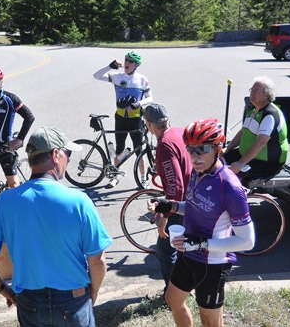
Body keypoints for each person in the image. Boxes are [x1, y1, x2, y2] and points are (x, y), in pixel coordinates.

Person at [0, 127, 112, 327]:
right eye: (67, 153)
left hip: (29, 301)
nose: (69, 159)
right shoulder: (79, 201)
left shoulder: (5, 202)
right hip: (74, 299)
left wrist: (3, 290)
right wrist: (93, 293)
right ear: (56, 154)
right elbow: (97, 260)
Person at [149, 118, 255, 327]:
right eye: (190, 150)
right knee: (173, 299)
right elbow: (196, 206)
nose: (195, 157)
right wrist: (170, 206)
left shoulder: (230, 187)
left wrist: (201, 243)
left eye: (203, 150)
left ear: (219, 149)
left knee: (209, 321)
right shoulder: (198, 174)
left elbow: (247, 241)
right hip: (189, 252)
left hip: (212, 262)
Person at [142, 103, 192, 294]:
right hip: (192, 199)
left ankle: (172, 295)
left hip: (180, 204)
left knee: (165, 250)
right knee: (182, 248)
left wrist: (164, 218)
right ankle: (184, 288)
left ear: (148, 124)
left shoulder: (164, 145)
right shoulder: (179, 132)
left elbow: (175, 186)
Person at [93, 51, 152, 188]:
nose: (127, 63)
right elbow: (96, 76)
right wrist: (109, 66)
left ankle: (143, 179)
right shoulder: (117, 77)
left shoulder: (142, 79)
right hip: (120, 118)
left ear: (136, 65)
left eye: (131, 61)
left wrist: (139, 104)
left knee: (139, 150)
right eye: (126, 60)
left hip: (136, 119)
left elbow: (150, 98)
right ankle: (115, 176)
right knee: (119, 148)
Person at [0, 66, 35, 188]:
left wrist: (19, 139)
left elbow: (29, 117)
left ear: (1, 82)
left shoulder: (10, 99)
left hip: (6, 146)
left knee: (13, 184)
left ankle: (14, 206)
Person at [223, 76, 288, 180]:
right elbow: (243, 131)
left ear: (266, 94)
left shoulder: (270, 114)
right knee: (217, 162)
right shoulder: (252, 109)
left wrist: (241, 163)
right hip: (245, 154)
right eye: (251, 90)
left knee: (227, 176)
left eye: (256, 90)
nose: (251, 93)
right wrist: (228, 147)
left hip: (266, 162)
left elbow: (261, 142)